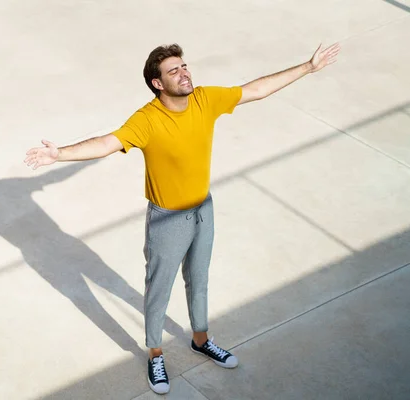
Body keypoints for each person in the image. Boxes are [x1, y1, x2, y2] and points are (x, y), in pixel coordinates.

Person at [24, 42, 340, 395]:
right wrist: (60, 154)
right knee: (159, 288)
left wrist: (308, 68)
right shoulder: (147, 120)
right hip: (166, 219)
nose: (184, 73)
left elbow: (255, 89)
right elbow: (106, 143)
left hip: (203, 209)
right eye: (173, 71)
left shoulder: (205, 99)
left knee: (199, 279)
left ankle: (201, 339)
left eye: (184, 66)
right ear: (157, 83)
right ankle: (155, 354)